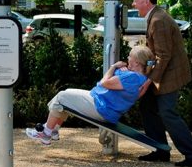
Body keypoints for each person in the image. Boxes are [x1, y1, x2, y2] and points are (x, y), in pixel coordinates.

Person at [132, 0, 192, 167]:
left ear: (147, 2)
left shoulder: (158, 20)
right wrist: (145, 73)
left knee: (167, 113)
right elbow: (155, 54)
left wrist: (149, 80)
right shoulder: (154, 17)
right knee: (148, 106)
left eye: (136, 1)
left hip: (170, 75)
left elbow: (163, 56)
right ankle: (160, 150)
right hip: (164, 71)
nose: (134, 4)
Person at [26, 46, 155, 144]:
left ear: (137, 62)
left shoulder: (132, 77)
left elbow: (104, 83)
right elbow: (129, 90)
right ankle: (53, 130)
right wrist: (122, 72)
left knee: (61, 97)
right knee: (66, 95)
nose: (127, 59)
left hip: (100, 106)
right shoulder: (140, 78)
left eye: (129, 57)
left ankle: (46, 133)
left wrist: (113, 67)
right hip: (103, 106)